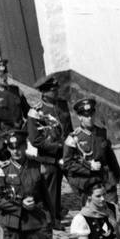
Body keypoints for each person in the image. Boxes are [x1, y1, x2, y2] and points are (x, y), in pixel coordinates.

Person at [0, 129, 52, 239]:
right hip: (16, 223)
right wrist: (19, 205)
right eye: (12, 149)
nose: (16, 152)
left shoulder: (37, 166)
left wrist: (51, 217)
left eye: (19, 147)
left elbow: (45, 195)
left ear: (25, 146)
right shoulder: (2, 170)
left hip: (36, 220)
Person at [26, 75, 71, 225]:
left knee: (77, 183)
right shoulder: (36, 111)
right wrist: (57, 146)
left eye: (56, 89)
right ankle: (53, 220)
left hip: (67, 153)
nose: (56, 93)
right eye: (53, 91)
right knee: (52, 190)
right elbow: (35, 139)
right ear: (44, 93)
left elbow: (68, 127)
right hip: (49, 157)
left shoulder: (62, 105)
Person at [62, 98, 120, 205]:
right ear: (80, 117)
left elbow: (109, 155)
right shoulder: (73, 138)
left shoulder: (102, 133)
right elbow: (68, 164)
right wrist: (89, 168)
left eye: (91, 115)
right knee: (93, 216)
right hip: (88, 183)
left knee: (113, 213)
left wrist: (117, 174)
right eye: (86, 116)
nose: (90, 118)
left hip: (106, 179)